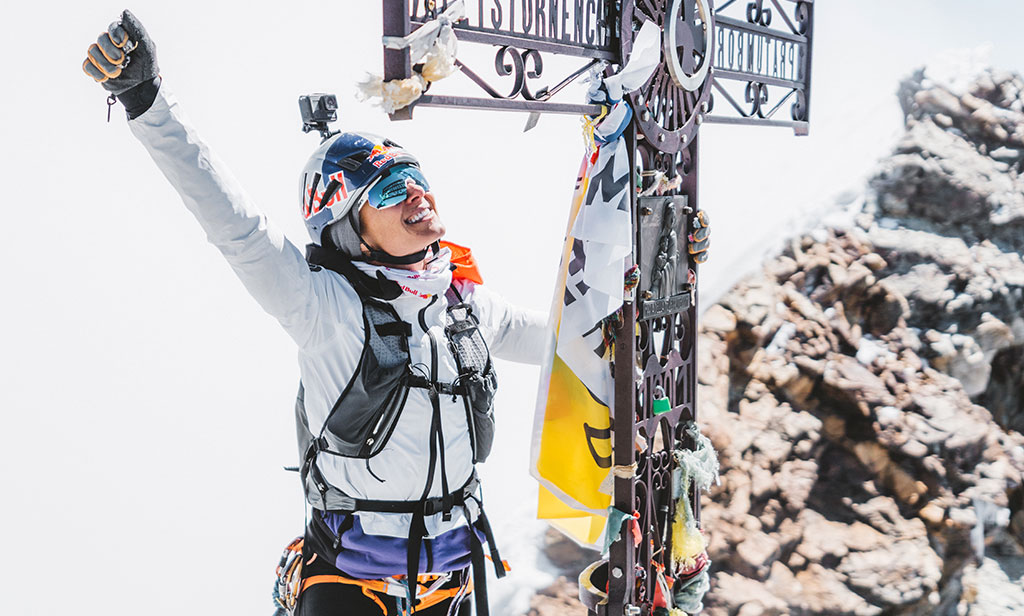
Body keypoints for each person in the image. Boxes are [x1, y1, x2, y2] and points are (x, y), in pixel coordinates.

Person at [83, 10, 548, 616]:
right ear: (351, 230)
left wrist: (665, 276)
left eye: (415, 177)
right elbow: (237, 228)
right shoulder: (325, 308)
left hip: (452, 583)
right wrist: (147, 101)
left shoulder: (463, 303)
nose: (416, 192)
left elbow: (574, 335)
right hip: (351, 588)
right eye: (386, 190)